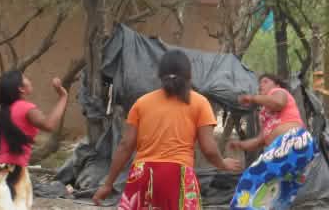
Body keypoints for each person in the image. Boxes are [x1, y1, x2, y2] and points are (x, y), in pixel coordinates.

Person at [93, 50, 241, 208]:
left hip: (142, 175)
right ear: (189, 75)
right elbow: (209, 149)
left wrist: (108, 184)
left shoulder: (142, 103)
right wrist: (223, 164)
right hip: (177, 175)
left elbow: (125, 145)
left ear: (160, 75)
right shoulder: (199, 103)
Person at [0, 70, 68, 210]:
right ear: (20, 88)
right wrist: (63, 97)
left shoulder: (5, 111)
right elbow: (49, 125)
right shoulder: (25, 108)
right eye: (25, 78)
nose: (29, 79)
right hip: (11, 173)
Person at [229, 74, 317, 210]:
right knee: (281, 192)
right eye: (260, 83)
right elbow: (260, 140)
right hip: (295, 150)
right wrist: (240, 144)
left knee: (252, 176)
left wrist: (252, 98)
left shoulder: (279, 92)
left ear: (277, 85)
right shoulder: (265, 115)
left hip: (293, 140)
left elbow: (278, 103)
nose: (261, 85)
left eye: (265, 81)